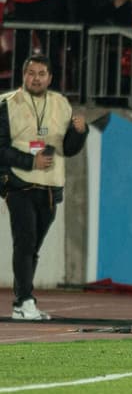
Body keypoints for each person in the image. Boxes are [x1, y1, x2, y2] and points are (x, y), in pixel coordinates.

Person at [0, 55, 88, 320]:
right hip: (19, 184)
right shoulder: (6, 103)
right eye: (31, 73)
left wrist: (79, 132)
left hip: (50, 186)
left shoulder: (61, 103)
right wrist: (30, 160)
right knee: (25, 243)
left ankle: (22, 302)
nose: (36, 78)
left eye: (41, 73)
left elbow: (69, 149)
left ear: (50, 78)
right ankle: (24, 300)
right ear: (23, 75)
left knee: (32, 247)